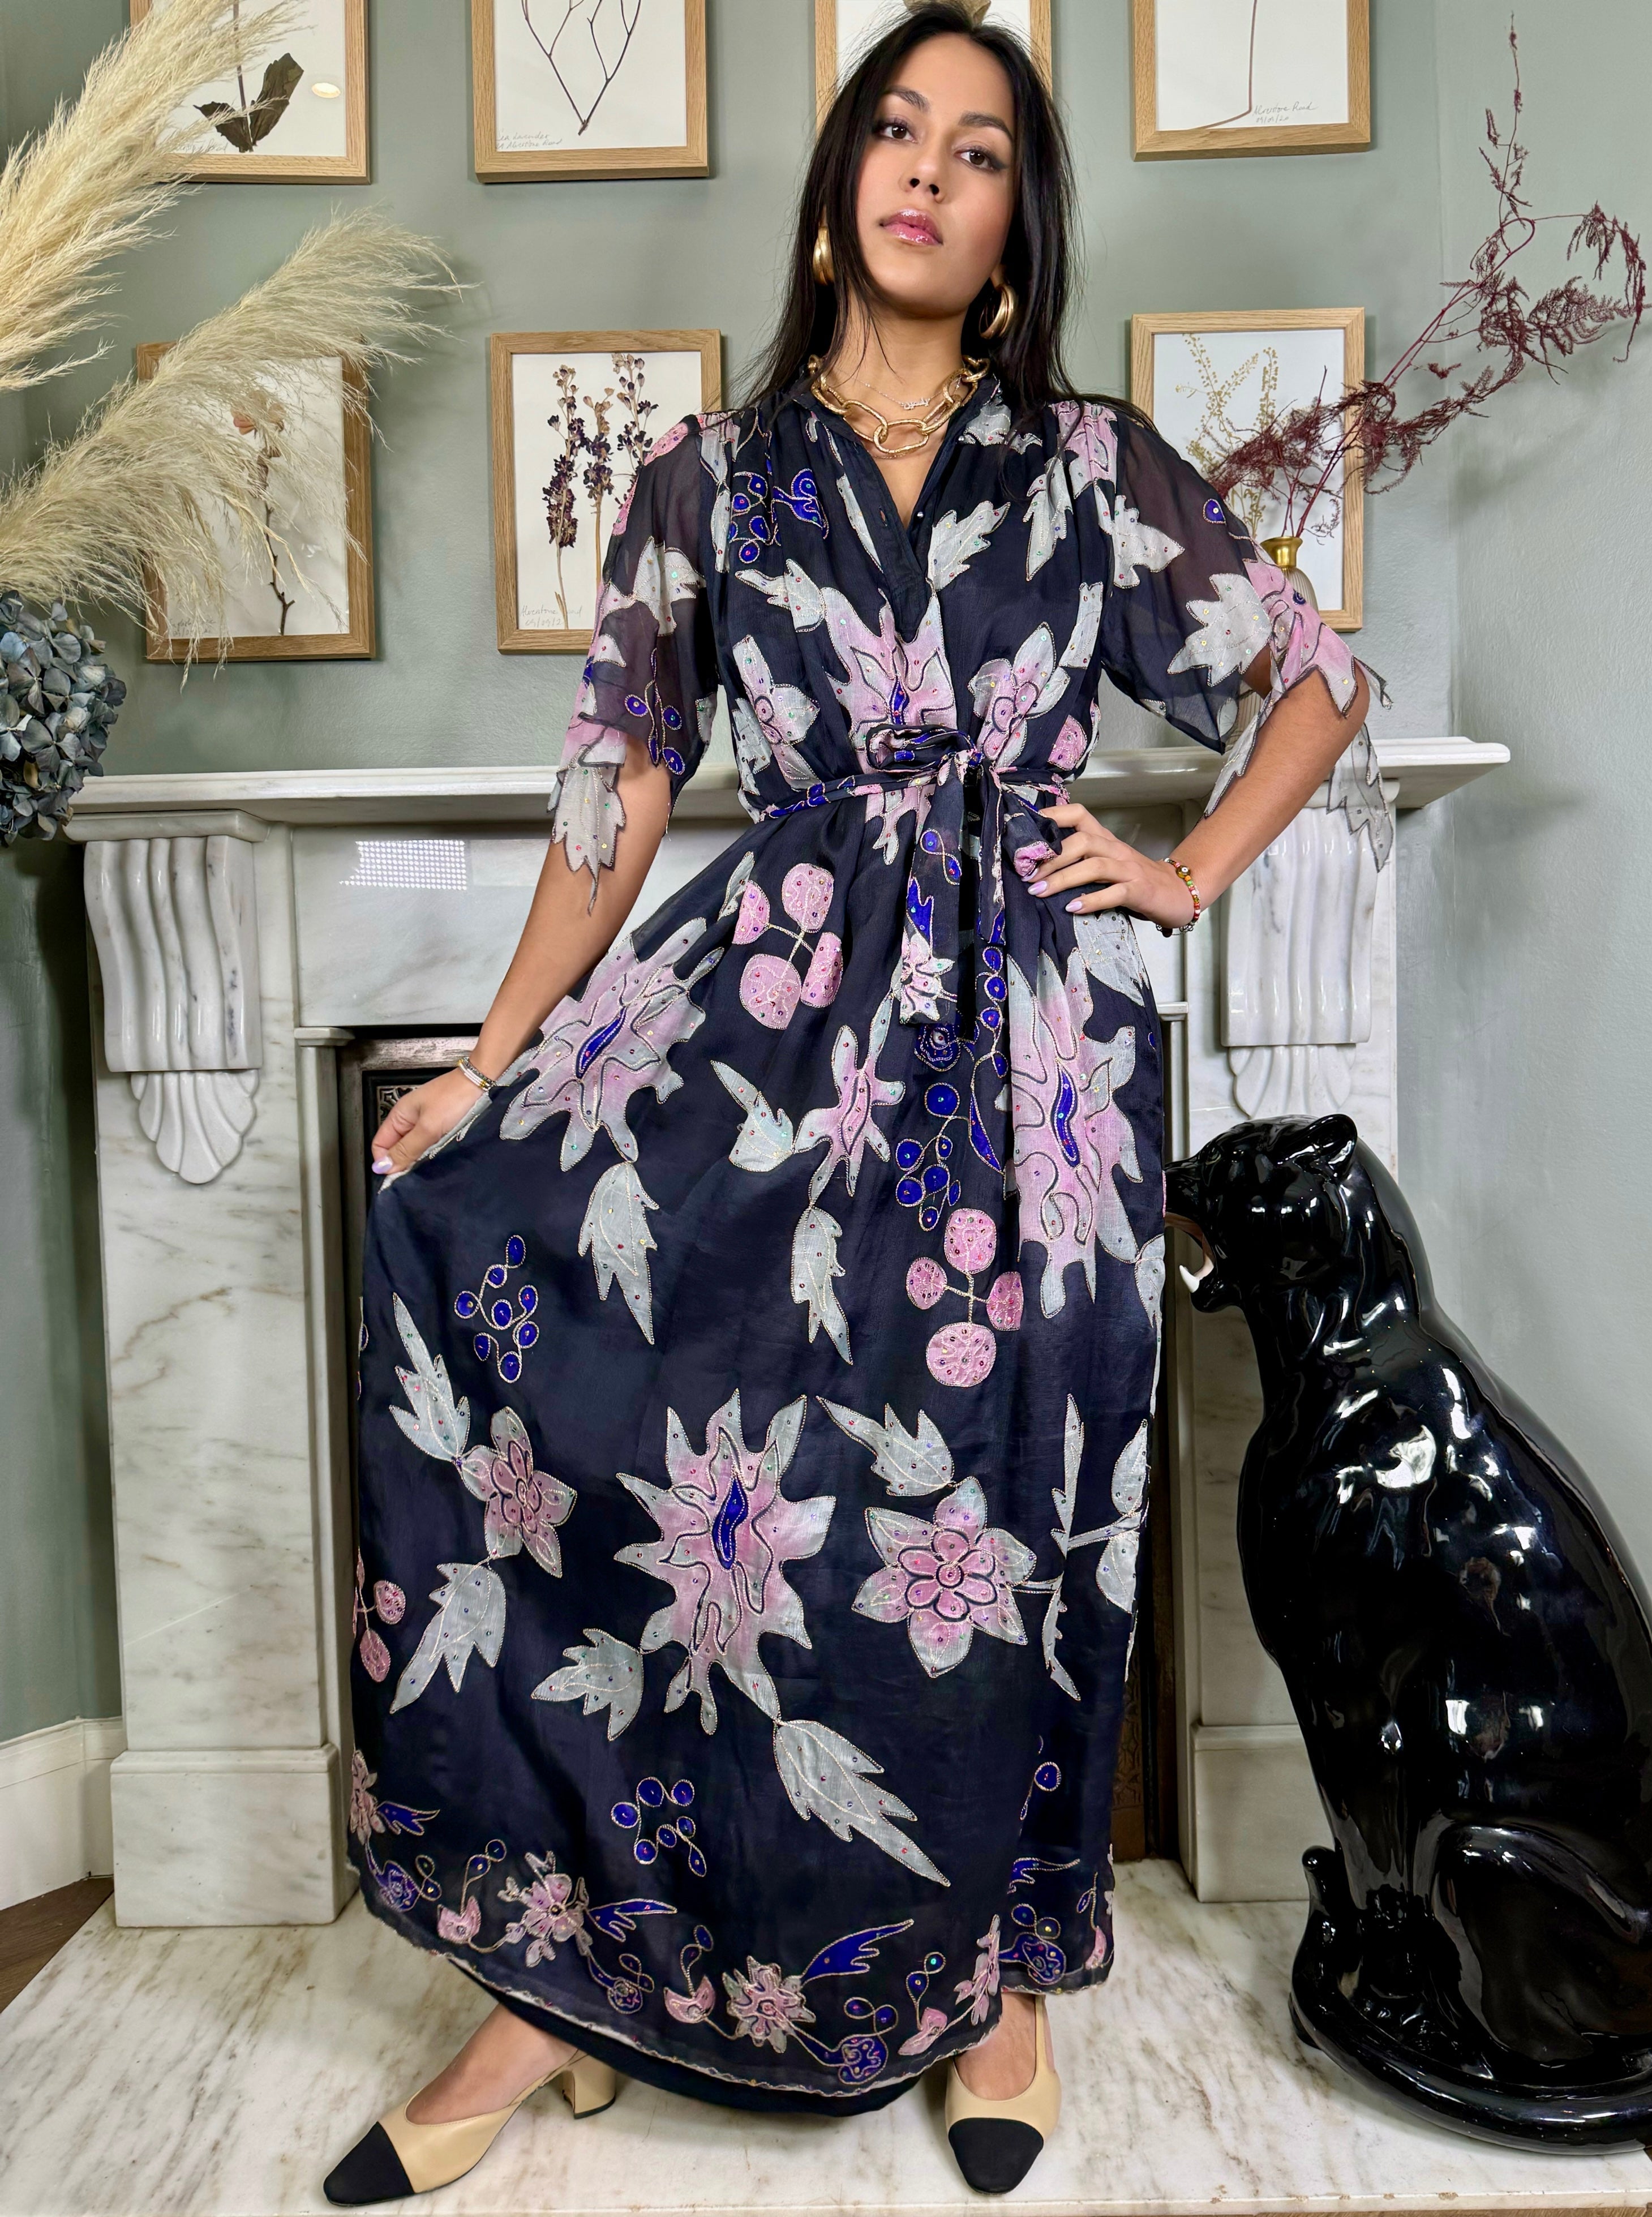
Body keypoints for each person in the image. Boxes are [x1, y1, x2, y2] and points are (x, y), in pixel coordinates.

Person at [325, 4, 1370, 2201]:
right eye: (893, 131)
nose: (924, 170)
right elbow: (617, 793)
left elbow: (1316, 677)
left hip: (1027, 1067)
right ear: (835, 197)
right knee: (698, 1464)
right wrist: (495, 1058)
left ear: (1010, 230)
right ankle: (569, 1978)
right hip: (771, 1043)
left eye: (976, 151)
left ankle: (988, 1979)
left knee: (994, 1511)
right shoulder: (703, 479)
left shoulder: (1090, 466)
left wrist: (1183, 871)